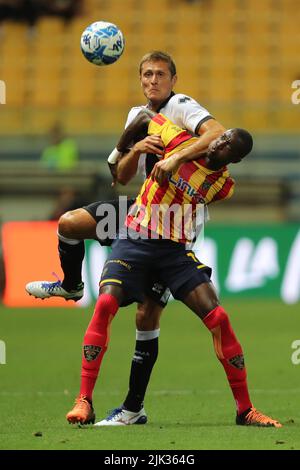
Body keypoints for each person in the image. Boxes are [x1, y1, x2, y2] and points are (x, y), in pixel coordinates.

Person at [25, 50, 225, 423]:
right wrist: (136, 148)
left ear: (173, 80)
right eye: (147, 74)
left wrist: (176, 156)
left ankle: (133, 407)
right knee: (69, 224)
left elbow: (217, 135)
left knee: (147, 316)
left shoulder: (182, 106)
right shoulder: (137, 116)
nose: (153, 81)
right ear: (140, 79)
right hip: (138, 210)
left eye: (160, 74)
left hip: (173, 223)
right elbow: (120, 176)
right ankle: (71, 285)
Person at [66, 110, 282, 428]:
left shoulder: (223, 187)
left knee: (219, 317)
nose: (218, 144)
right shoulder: (179, 139)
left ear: (233, 160)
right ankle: (84, 401)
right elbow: (142, 117)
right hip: (134, 238)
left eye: (227, 147)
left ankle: (245, 410)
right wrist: (121, 152)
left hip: (173, 252)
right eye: (222, 137)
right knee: (106, 303)